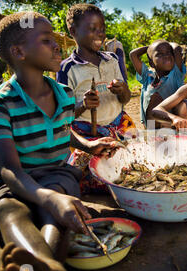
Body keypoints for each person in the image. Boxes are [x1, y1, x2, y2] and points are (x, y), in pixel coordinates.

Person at [0, 12, 121, 271]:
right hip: (13, 180)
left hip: (57, 174)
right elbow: (9, 169)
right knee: (10, 211)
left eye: (55, 40)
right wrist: (49, 197)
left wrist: (87, 146)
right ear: (18, 52)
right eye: (46, 40)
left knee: (57, 209)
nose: (57, 46)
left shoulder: (65, 93)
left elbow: (62, 129)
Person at [57, 3, 136, 193]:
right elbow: (64, 113)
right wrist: (83, 105)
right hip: (87, 133)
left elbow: (125, 99)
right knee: (91, 176)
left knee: (134, 165)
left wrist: (123, 90)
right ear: (73, 31)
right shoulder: (68, 68)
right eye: (93, 29)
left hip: (118, 125)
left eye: (102, 29)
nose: (100, 34)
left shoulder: (112, 60)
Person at [129, 40, 186, 128]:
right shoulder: (147, 77)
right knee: (151, 138)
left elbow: (176, 48)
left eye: (168, 52)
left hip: (171, 126)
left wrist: (161, 45)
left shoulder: (176, 75)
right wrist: (151, 47)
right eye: (160, 54)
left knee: (156, 99)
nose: (166, 56)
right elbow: (133, 54)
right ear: (151, 63)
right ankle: (151, 137)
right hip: (150, 127)